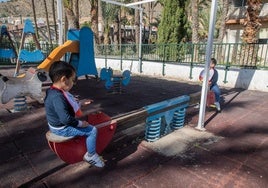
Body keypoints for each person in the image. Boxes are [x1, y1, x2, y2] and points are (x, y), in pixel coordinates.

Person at [44, 61, 105, 168]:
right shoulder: (58, 97)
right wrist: (81, 124)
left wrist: (80, 103)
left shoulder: (52, 91)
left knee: (85, 124)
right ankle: (91, 155)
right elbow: (66, 119)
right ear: (64, 79)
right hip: (61, 128)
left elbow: (64, 106)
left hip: (54, 125)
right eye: (72, 80)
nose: (73, 83)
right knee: (92, 130)